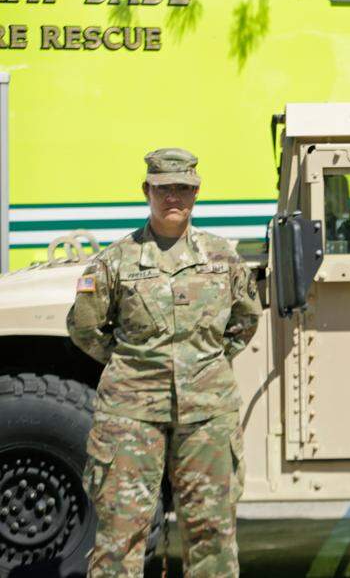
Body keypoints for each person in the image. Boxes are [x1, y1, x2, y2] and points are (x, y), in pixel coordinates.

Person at [67, 148, 262, 577]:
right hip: (131, 415)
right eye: (164, 189)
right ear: (147, 191)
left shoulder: (222, 259)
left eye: (184, 188)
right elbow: (85, 328)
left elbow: (246, 320)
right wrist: (133, 367)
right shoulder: (114, 262)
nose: (174, 197)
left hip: (208, 413)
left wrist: (203, 365)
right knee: (121, 533)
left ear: (196, 192)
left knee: (212, 532)